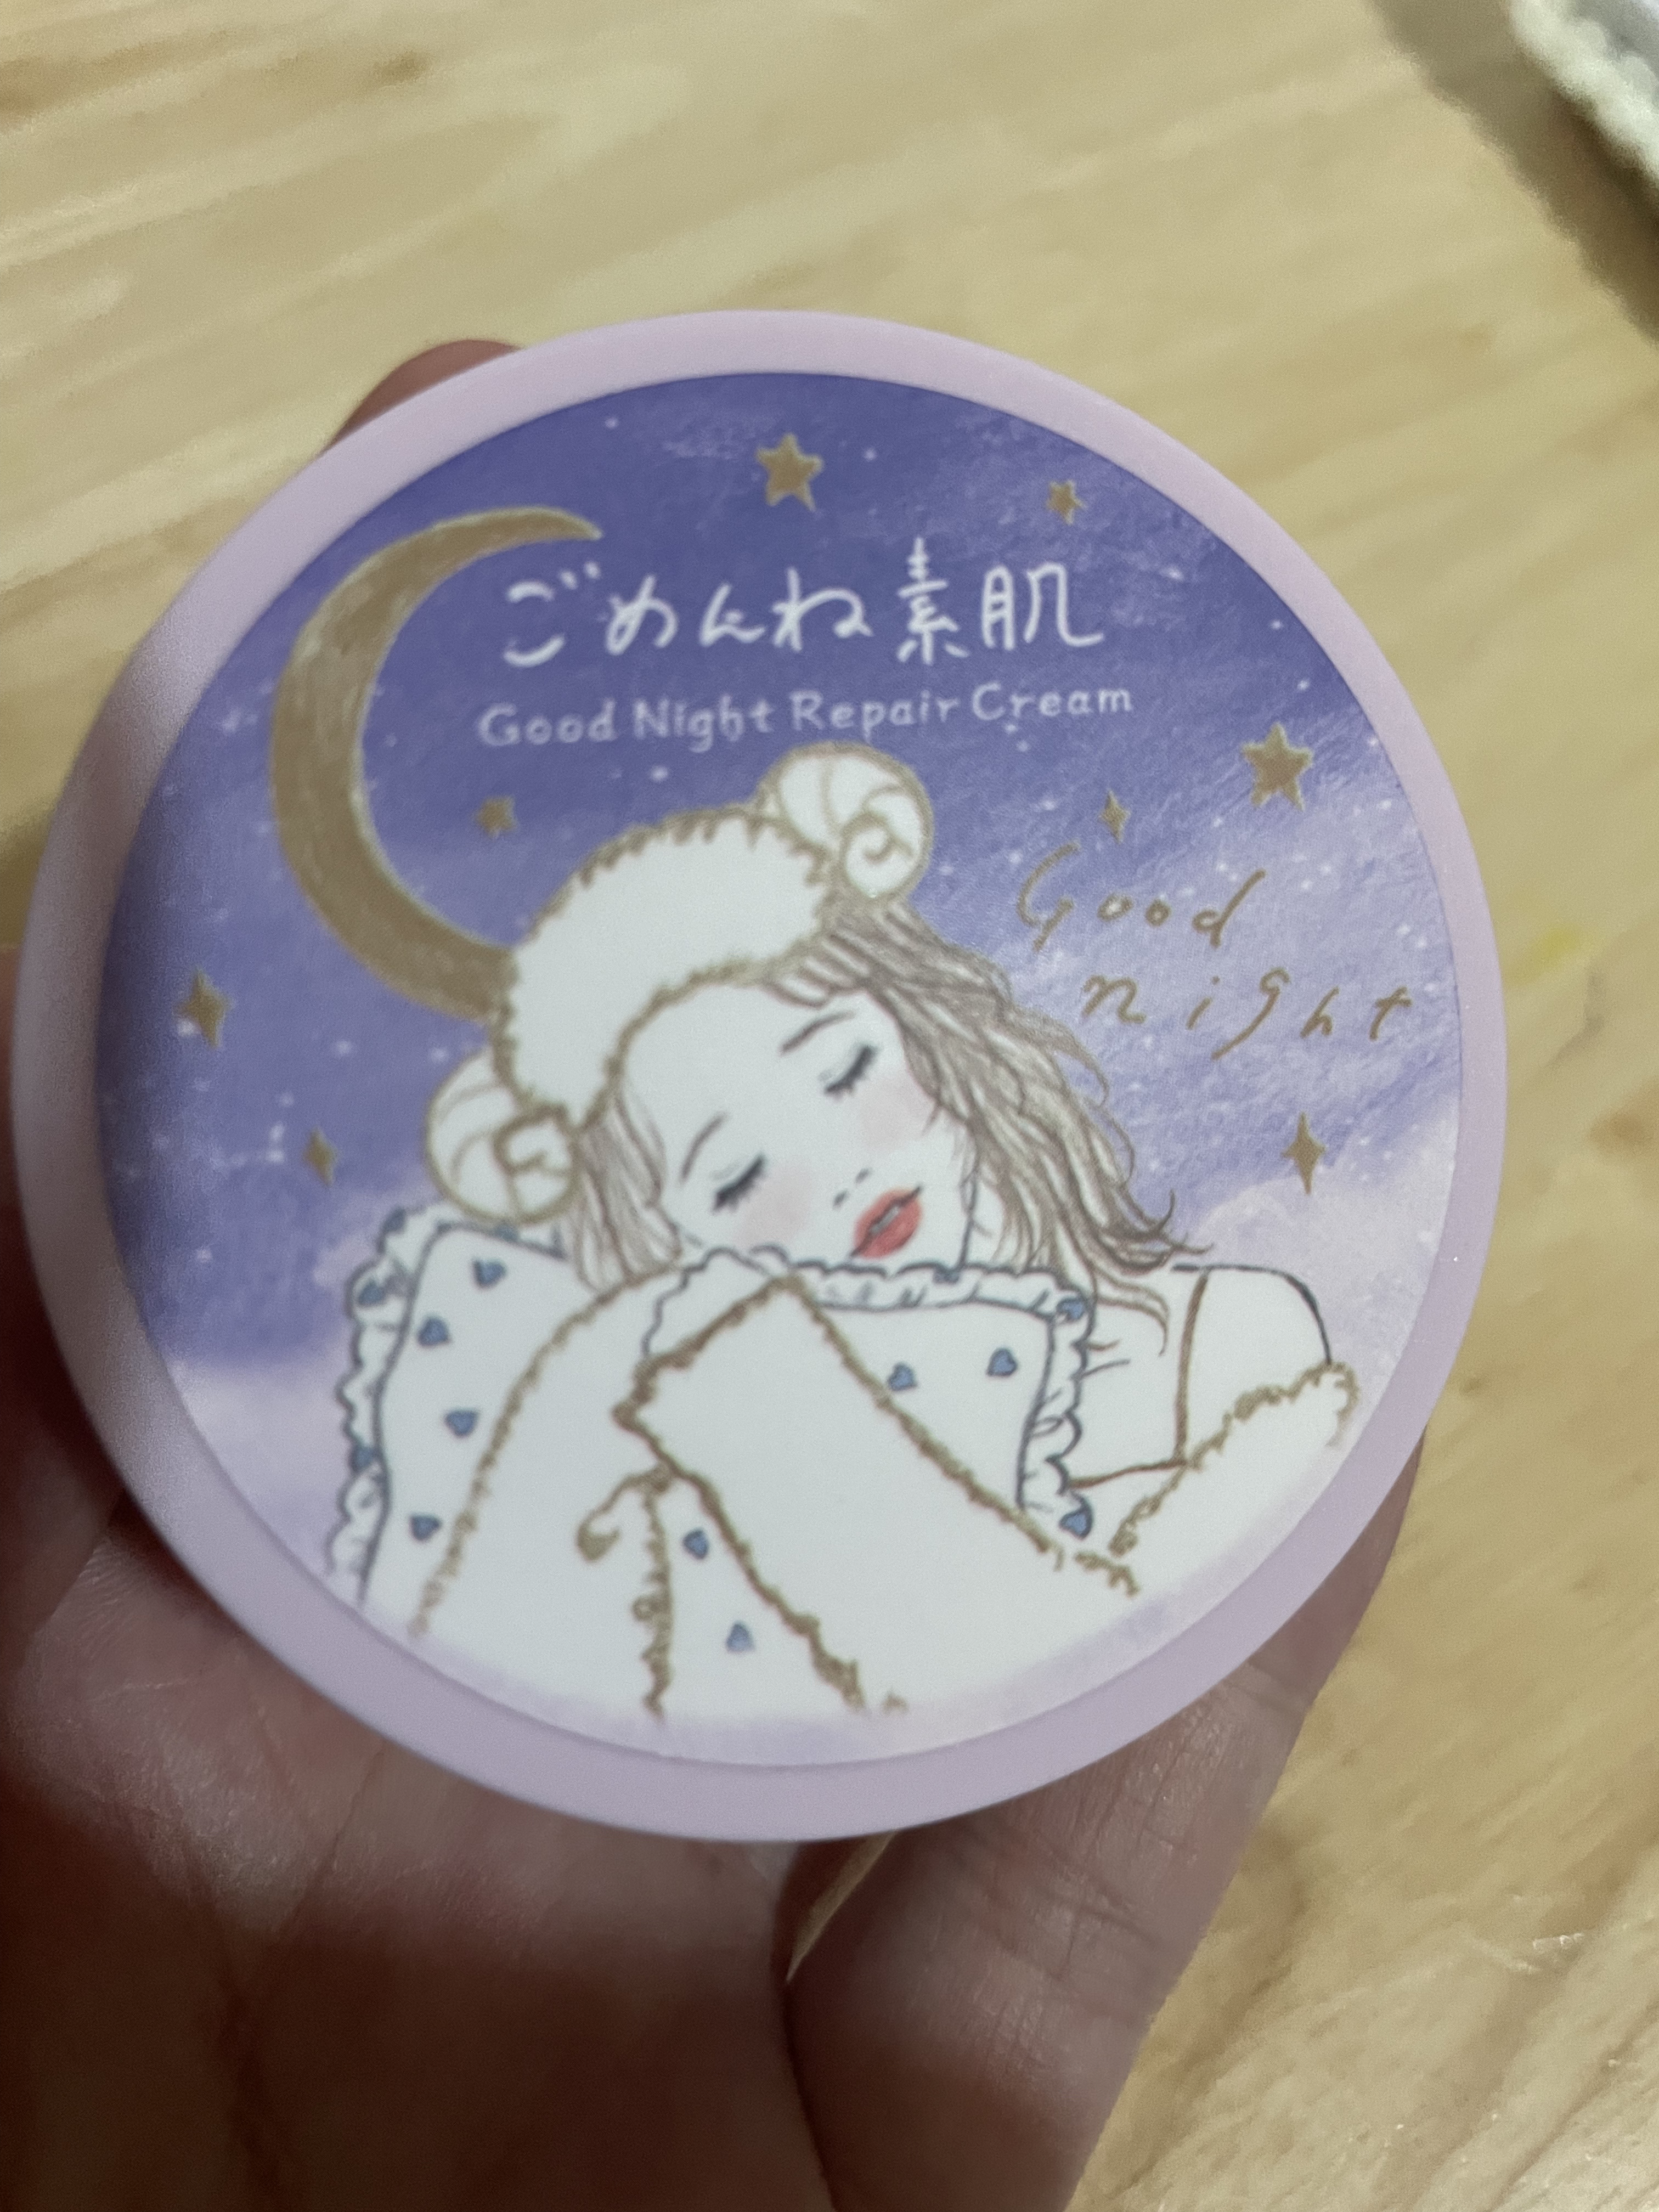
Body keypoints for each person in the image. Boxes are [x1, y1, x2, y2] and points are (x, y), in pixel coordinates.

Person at [0, 343, 1418, 2209]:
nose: (836, 1171)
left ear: (939, 1036)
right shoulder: (675, 1453)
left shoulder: (1216, 1339)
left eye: (842, 1069)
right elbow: (485, 1598)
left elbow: (1076, 1590)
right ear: (657, 1249)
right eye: (735, 1178)